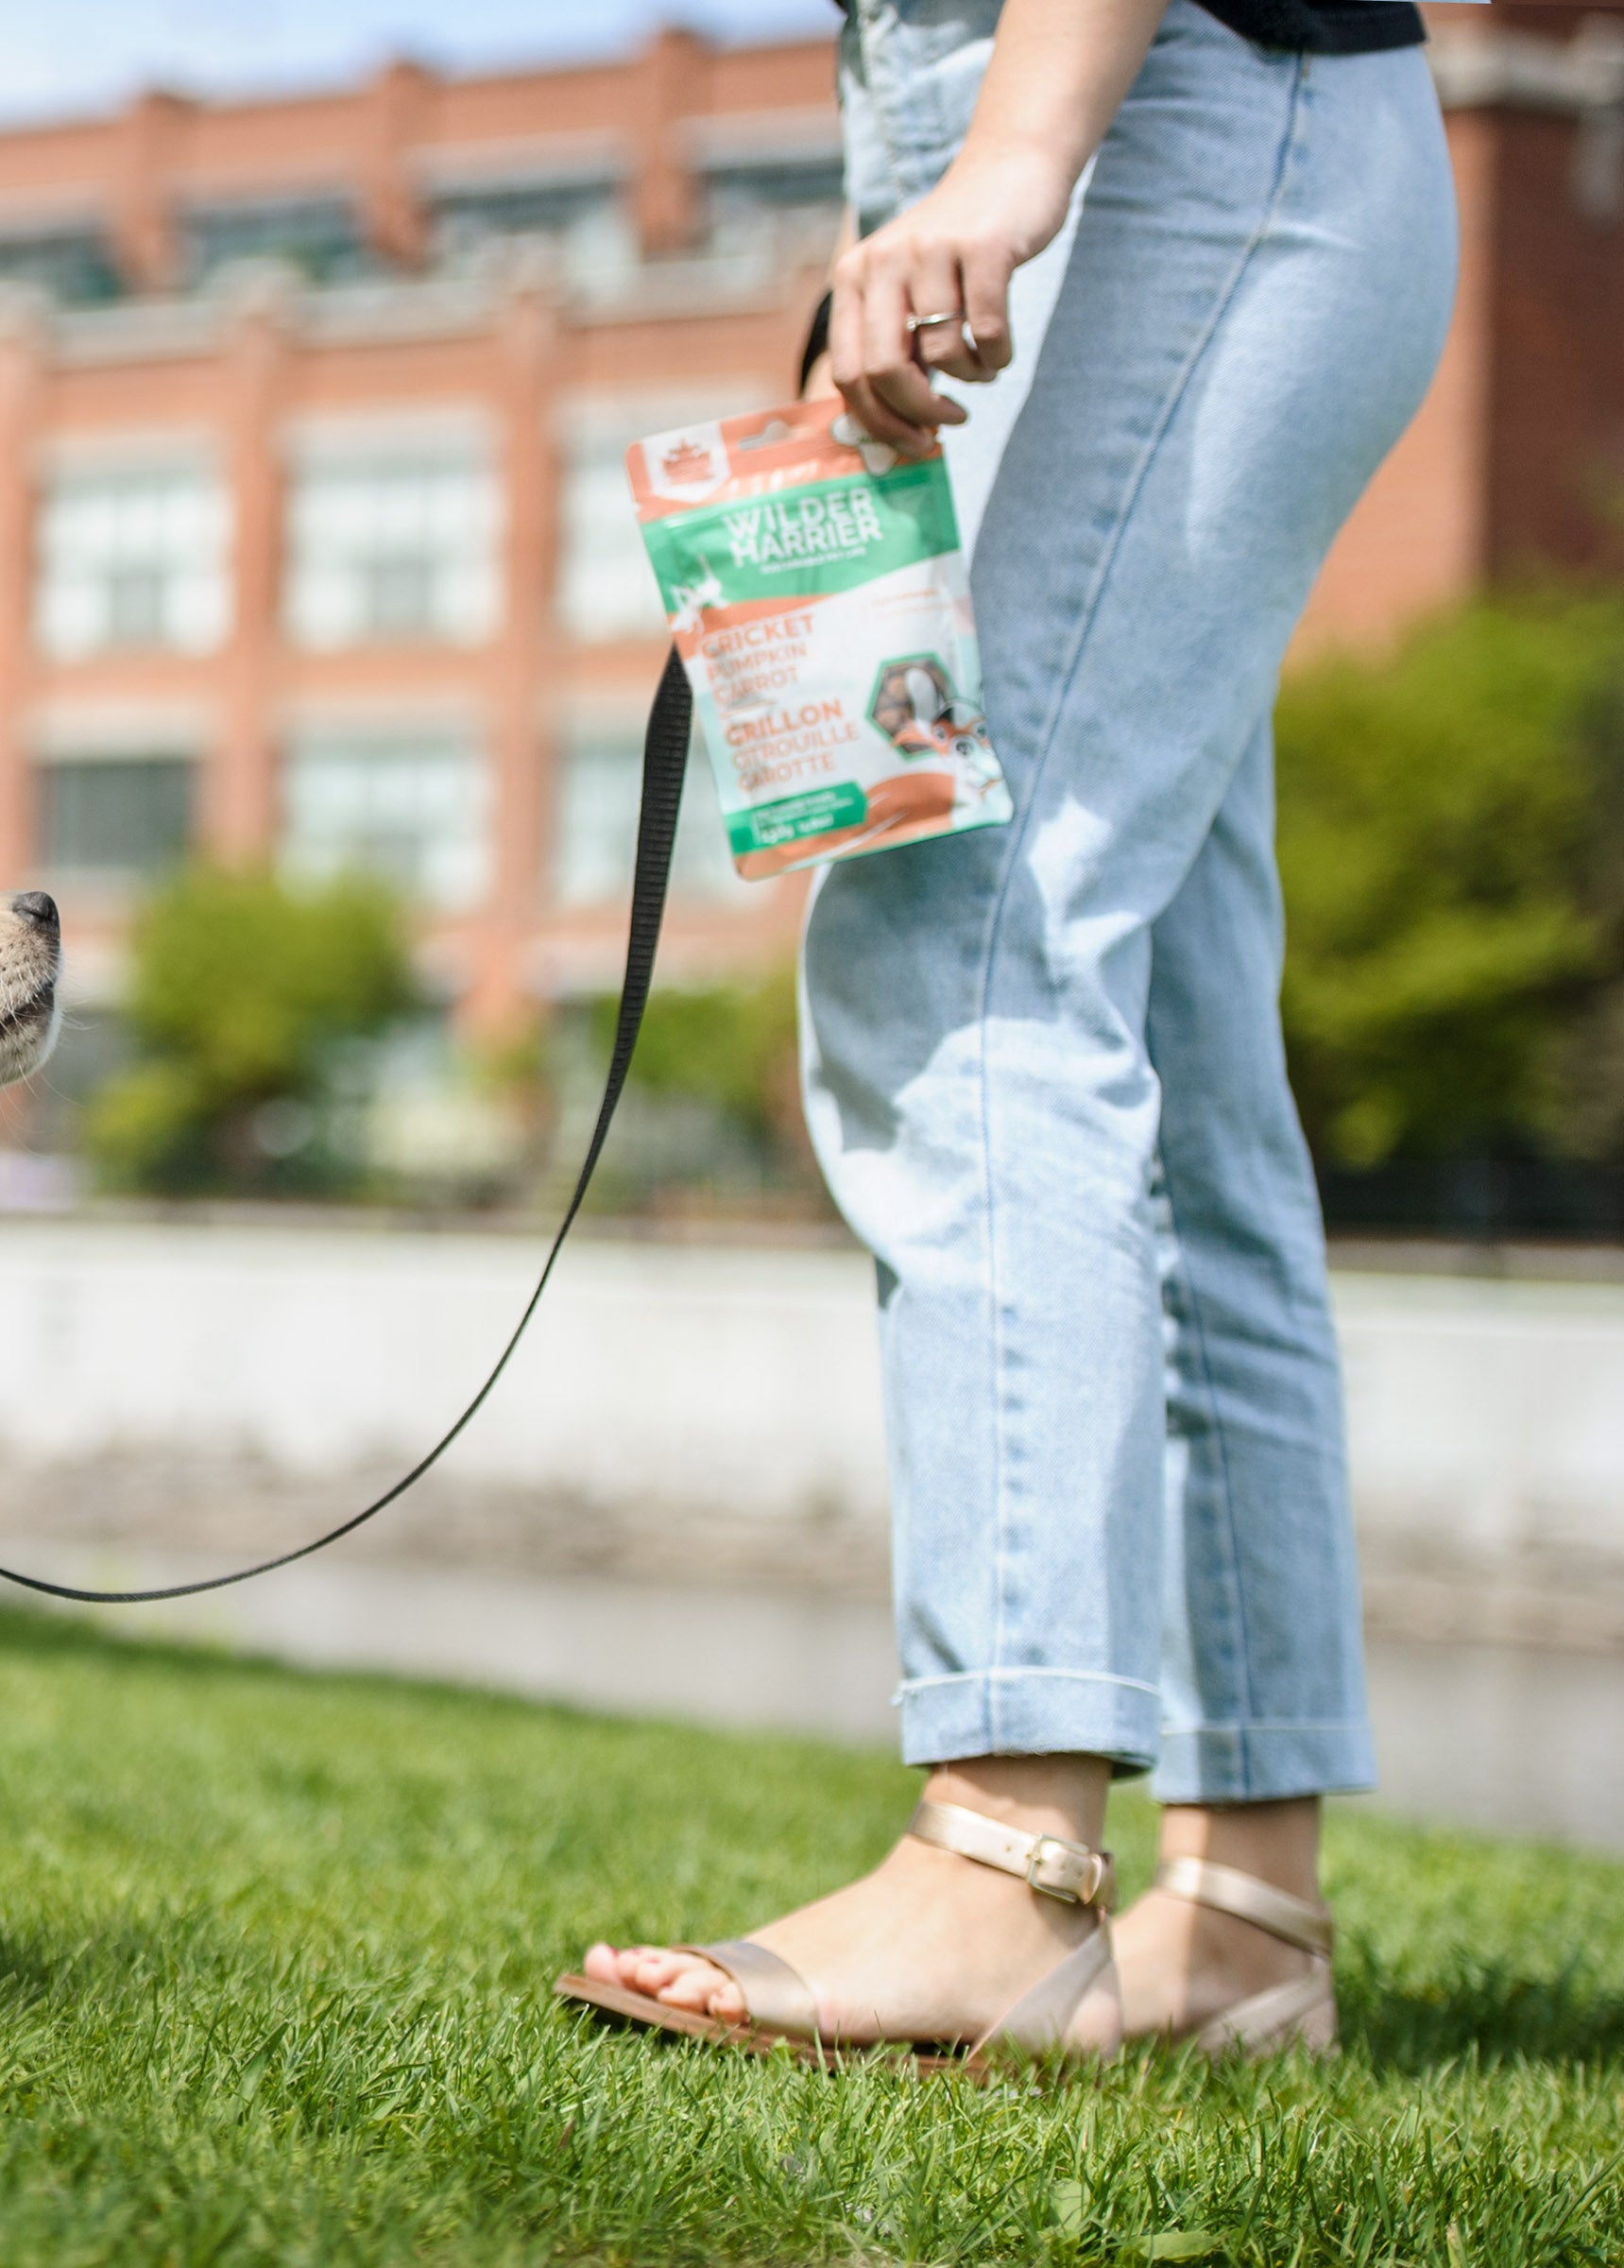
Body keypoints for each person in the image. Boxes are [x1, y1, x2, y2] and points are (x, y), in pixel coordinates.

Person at [558, 0, 1455, 2065]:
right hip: (1157, 136)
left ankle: (1002, 1854)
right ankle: (1244, 1921)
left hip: (1177, 123)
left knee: (968, 932)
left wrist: (1005, 163)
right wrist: (937, 176)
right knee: (1178, 1055)